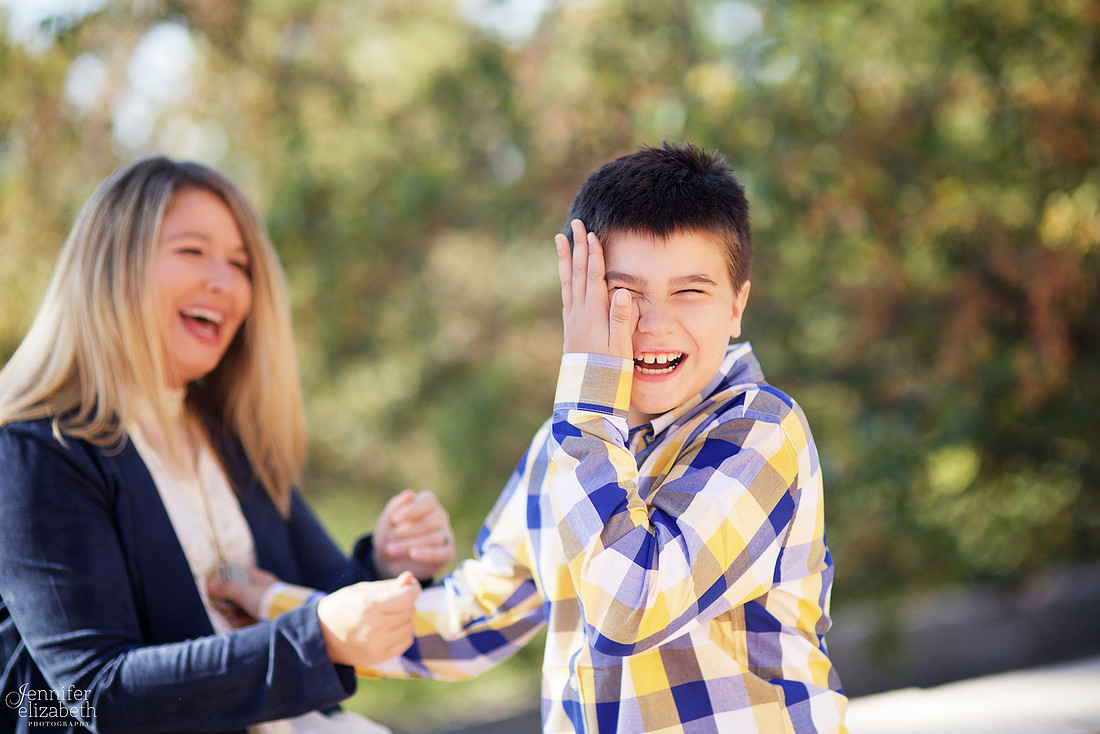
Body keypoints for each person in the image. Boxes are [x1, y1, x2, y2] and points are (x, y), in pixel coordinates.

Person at [216, 143, 848, 733]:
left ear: (736, 305)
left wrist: (587, 393)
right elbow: (468, 624)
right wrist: (279, 609)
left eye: (690, 291)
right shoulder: (566, 446)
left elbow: (631, 607)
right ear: (576, 298)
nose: (653, 323)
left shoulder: (762, 431)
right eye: (621, 293)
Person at [0, 155, 455, 734]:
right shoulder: (37, 450)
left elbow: (317, 600)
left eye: (240, 263)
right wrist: (316, 638)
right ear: (112, 266)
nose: (225, 282)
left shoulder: (228, 438)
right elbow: (96, 695)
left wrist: (387, 562)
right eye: (192, 251)